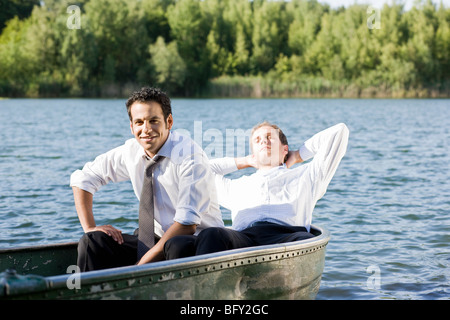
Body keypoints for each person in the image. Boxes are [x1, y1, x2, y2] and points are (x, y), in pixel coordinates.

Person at [70, 87, 224, 271]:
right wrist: (90, 227)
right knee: (93, 242)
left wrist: (138, 268)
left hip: (198, 244)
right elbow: (83, 179)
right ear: (131, 126)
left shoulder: (190, 157)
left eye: (153, 121)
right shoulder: (130, 151)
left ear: (169, 121)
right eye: (139, 122)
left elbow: (186, 225)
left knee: (177, 245)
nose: (146, 129)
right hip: (153, 240)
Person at [164, 122, 349, 259]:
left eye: (270, 137)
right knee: (210, 234)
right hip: (245, 239)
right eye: (258, 140)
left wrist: (298, 155)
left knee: (304, 241)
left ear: (285, 149)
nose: (264, 142)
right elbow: (204, 169)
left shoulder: (307, 176)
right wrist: (244, 161)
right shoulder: (237, 186)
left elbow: (339, 132)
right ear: (253, 153)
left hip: (287, 237)